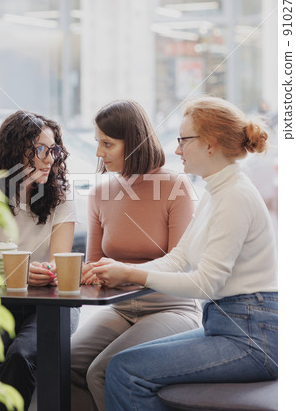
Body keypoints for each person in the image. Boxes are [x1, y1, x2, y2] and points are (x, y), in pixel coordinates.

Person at [90, 96, 278, 410]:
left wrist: (131, 273)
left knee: (124, 370)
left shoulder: (234, 196)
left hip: (251, 337)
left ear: (210, 144)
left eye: (183, 140)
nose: (176, 150)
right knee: (119, 364)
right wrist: (119, 268)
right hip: (225, 325)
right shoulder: (215, 192)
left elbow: (206, 284)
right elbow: (178, 259)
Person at [71, 100, 202, 411]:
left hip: (171, 309)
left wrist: (121, 271)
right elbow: (95, 266)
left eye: (108, 143)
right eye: (97, 143)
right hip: (120, 309)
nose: (99, 153)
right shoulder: (100, 194)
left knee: (101, 371)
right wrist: (79, 273)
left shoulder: (175, 186)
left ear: (133, 142)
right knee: (64, 361)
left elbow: (179, 265)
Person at [0, 110, 79, 411]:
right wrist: (18, 273)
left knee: (22, 354)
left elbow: (59, 266)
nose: (50, 159)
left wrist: (35, 273)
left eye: (54, 150)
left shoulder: (61, 196)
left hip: (50, 302)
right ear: (16, 151)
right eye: (42, 150)